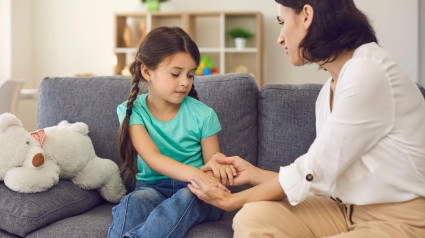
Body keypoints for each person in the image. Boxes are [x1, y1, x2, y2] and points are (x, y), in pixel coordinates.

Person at [188, 0, 425, 237]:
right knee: (254, 217)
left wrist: (232, 201)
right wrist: (253, 174)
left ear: (307, 16)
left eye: (282, 22)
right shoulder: (329, 91)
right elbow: (322, 179)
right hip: (343, 209)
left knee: (243, 208)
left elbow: (314, 169)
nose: (280, 38)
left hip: (399, 218)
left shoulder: (369, 71)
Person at [108, 26, 236, 238]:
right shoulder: (132, 111)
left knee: (188, 196)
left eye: (190, 75)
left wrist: (217, 163)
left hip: (196, 190)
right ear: (147, 71)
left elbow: (212, 159)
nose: (185, 82)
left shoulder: (204, 114)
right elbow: (153, 158)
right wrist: (198, 174)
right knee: (134, 201)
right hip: (152, 187)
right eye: (176, 74)